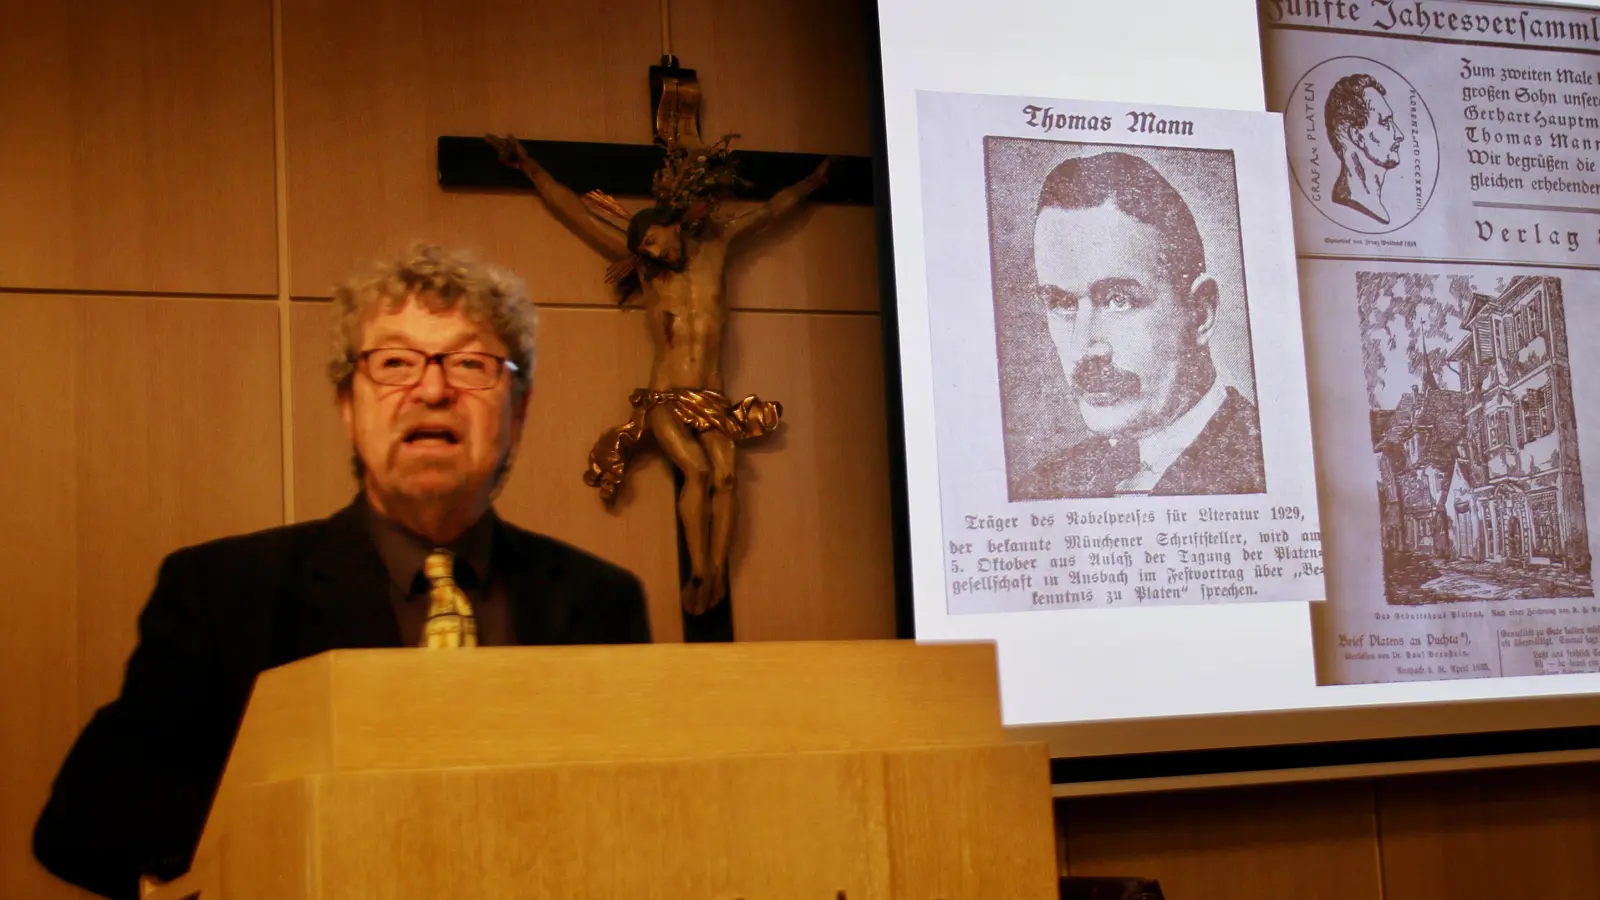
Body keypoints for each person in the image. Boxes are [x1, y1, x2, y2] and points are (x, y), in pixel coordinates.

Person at [32, 244, 650, 899]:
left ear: (517, 412)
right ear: (348, 407)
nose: (433, 389)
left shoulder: (601, 600)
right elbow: (83, 823)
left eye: (470, 363)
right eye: (394, 363)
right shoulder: (223, 591)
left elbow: (646, 821)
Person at [487, 133, 828, 615]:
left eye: (651, 241)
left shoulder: (718, 246)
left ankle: (715, 569)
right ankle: (699, 569)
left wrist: (814, 181)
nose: (647, 251)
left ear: (670, 226)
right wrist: (531, 168)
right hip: (665, 396)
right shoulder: (649, 272)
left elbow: (772, 210)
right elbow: (575, 212)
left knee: (728, 478)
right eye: (641, 247)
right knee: (697, 469)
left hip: (713, 394)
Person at [1023, 151, 1266, 499]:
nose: (1084, 348)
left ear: (1200, 313)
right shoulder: (1043, 486)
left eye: (1118, 300)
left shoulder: (1264, 468)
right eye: (1062, 304)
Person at [1324, 73, 1403, 224]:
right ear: (1356, 136)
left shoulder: (1374, 205)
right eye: (1385, 123)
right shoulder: (1349, 206)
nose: (1399, 135)